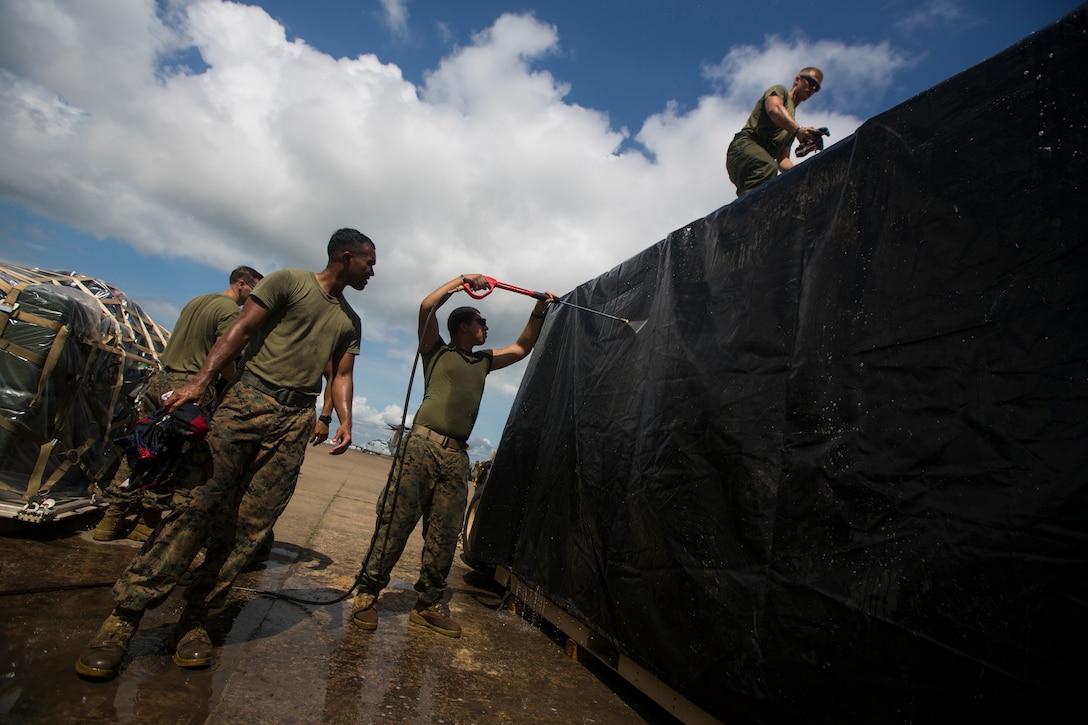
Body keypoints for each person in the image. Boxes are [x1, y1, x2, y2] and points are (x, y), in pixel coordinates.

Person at [75, 228, 376, 680]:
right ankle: (123, 620)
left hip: (293, 420)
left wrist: (344, 420)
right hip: (246, 401)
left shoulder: (349, 321)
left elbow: (342, 374)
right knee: (193, 508)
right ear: (345, 256)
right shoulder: (287, 282)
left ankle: (194, 620)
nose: (373, 271)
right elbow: (241, 328)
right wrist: (200, 381)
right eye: (369, 262)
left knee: (250, 527)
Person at [350, 273, 554, 638]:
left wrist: (538, 311)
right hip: (420, 450)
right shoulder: (436, 350)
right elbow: (427, 306)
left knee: (444, 536)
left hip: (455, 459)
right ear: (463, 327)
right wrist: (461, 281)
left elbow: (522, 348)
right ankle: (367, 594)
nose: (486, 327)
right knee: (395, 523)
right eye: (481, 322)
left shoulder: (483, 362)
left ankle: (427, 604)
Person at [93, 266, 263, 542]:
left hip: (161, 380)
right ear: (241, 284)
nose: (255, 298)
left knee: (142, 446)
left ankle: (112, 516)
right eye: (254, 290)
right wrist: (235, 387)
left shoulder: (196, 302)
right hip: (188, 387)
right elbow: (226, 354)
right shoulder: (230, 311)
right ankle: (147, 522)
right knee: (173, 456)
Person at [726, 67, 825, 197]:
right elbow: (774, 109)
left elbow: (783, 161)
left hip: (757, 163)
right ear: (797, 79)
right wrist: (798, 130)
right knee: (766, 168)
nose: (812, 89)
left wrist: (802, 174)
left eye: (816, 88)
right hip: (744, 146)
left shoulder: (791, 125)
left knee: (766, 190)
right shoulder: (780, 91)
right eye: (811, 82)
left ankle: (744, 213)